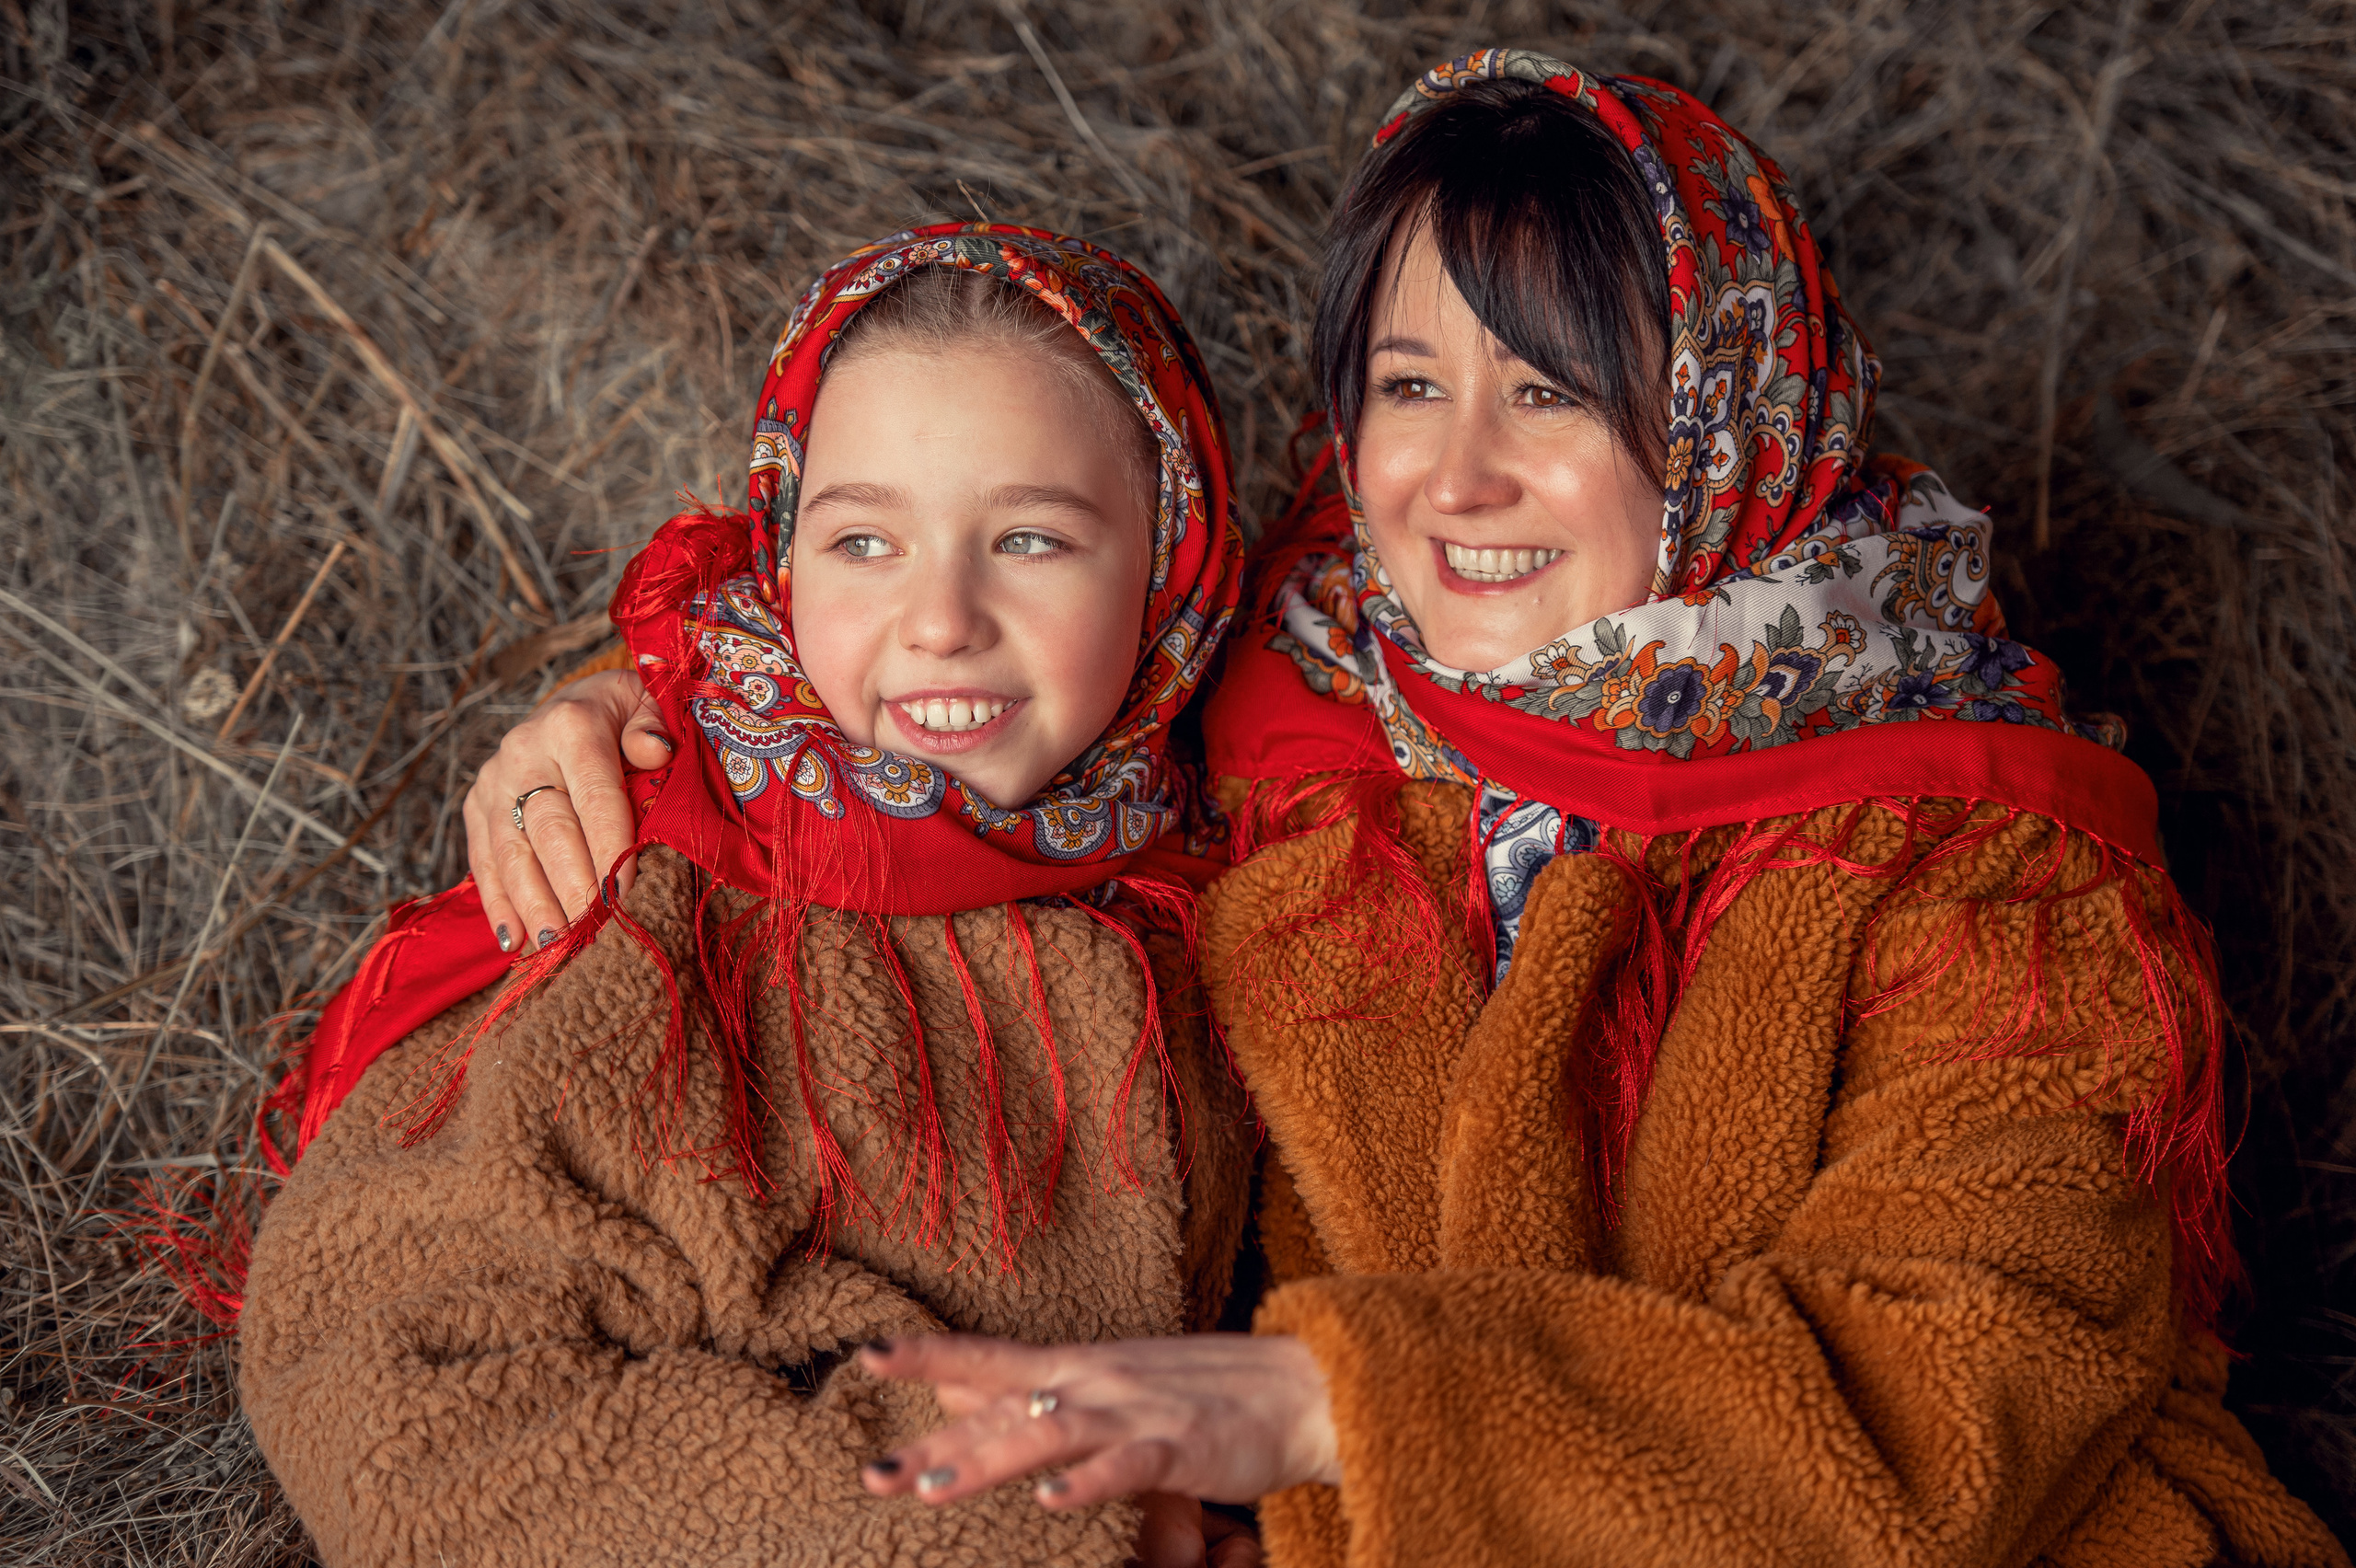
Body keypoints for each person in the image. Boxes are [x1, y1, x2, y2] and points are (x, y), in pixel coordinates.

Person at [462, 52, 2350, 1568]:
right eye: (1403, 384)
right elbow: (942, 640)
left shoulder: (1977, 856)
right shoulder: (1299, 681)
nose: (1450, 478)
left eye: (1546, 394)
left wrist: (1327, 1413)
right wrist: (632, 708)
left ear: (1718, 418)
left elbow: (1958, 1403)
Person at [237, 225, 1260, 1568]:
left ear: (1175, 563)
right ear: (782, 562)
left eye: (1029, 538)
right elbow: (390, 1395)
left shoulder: (1223, 852)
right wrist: (1032, 1519)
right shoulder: (672, 923)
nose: (941, 618)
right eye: (862, 541)